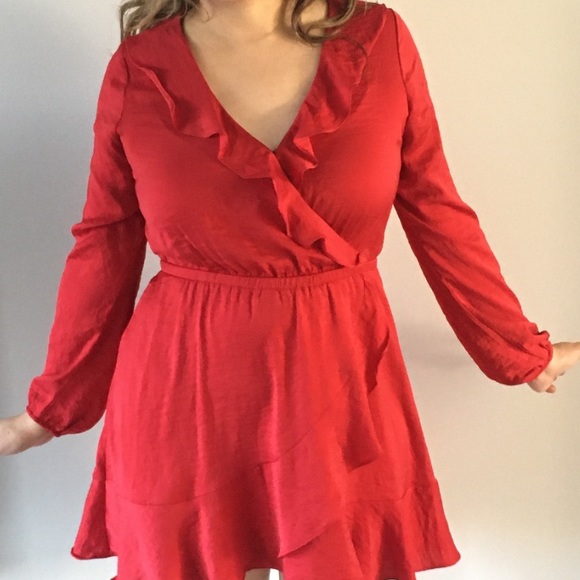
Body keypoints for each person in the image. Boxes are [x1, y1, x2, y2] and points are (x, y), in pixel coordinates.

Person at [1, 0, 579, 578]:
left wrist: (514, 351)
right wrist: (50, 410)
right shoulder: (139, 68)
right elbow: (106, 243)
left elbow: (436, 208)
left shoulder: (379, 41)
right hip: (187, 392)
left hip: (341, 385)